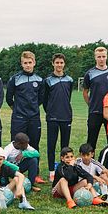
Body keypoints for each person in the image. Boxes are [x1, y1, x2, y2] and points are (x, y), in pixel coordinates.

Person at [43, 53, 74, 182]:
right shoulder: (48, 80)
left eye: (61, 63)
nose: (59, 65)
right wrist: (50, 111)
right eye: (57, 63)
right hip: (53, 118)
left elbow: (68, 97)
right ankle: (51, 171)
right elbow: (45, 100)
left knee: (64, 146)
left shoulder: (70, 80)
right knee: (51, 145)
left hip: (66, 116)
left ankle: (64, 169)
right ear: (53, 63)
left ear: (64, 64)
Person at [6, 51, 43, 149]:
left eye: (30, 62)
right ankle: (16, 164)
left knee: (34, 145)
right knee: (16, 145)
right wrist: (17, 109)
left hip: (34, 118)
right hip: (19, 118)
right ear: (21, 64)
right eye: (25, 63)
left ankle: (34, 165)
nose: (28, 65)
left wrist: (32, 107)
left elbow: (41, 98)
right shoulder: (15, 79)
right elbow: (9, 98)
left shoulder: (39, 79)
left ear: (34, 63)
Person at [0, 146, 35, 211]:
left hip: (5, 191)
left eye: (0, 159)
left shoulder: (5, 168)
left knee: (17, 178)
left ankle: (23, 201)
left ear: (4, 159)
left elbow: (21, 176)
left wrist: (18, 189)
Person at [83, 46, 108, 150]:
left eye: (103, 56)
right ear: (95, 58)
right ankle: (89, 163)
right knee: (91, 140)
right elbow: (85, 92)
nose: (101, 59)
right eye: (99, 57)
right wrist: (91, 104)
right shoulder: (89, 73)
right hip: (95, 112)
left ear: (107, 57)